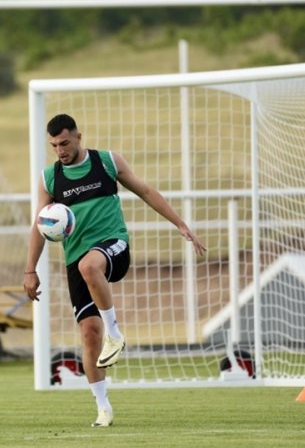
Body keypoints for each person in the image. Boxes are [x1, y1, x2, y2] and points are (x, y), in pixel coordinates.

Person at [23, 114, 206, 428]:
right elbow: (40, 224)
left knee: (89, 264)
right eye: (54, 145)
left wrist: (180, 224)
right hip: (77, 263)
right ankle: (103, 407)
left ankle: (117, 335)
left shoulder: (107, 162)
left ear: (79, 137)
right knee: (89, 334)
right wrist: (30, 270)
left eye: (65, 142)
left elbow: (146, 191)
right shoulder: (50, 178)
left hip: (113, 247)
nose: (60, 150)